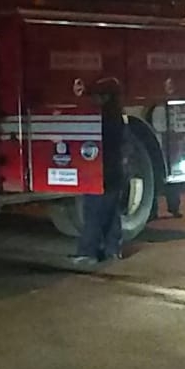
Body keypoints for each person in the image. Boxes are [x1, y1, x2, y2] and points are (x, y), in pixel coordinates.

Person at [72, 77, 129, 265]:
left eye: (97, 96)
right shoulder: (117, 116)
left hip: (101, 171)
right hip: (115, 170)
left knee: (95, 211)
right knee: (112, 212)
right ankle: (113, 249)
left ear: (105, 97)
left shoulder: (102, 119)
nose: (94, 100)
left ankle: (88, 252)